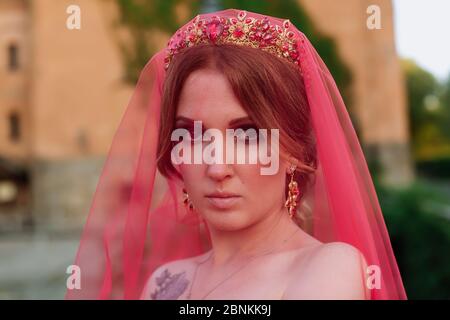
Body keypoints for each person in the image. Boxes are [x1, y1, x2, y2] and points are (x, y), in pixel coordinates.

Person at [66, 9, 407, 300]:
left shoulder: (330, 267)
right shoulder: (165, 282)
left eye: (248, 135)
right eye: (194, 136)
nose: (217, 167)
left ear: (293, 151)